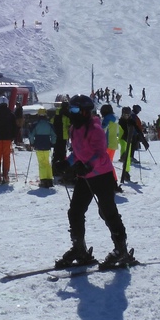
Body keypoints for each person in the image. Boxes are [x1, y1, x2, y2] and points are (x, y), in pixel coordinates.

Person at [55, 95, 133, 270]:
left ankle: (121, 249)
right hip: (85, 176)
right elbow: (77, 153)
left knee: (107, 212)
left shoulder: (95, 128)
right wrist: (66, 163)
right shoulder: (74, 129)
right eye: (71, 110)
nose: (72, 113)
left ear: (84, 111)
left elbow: (99, 153)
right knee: (75, 211)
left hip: (102, 175)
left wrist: (88, 166)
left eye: (75, 110)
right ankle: (79, 249)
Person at [29, 108, 56, 189]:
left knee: (41, 163)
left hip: (39, 145)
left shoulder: (35, 124)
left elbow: (31, 135)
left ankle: (44, 180)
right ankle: (49, 179)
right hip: (47, 145)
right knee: (47, 162)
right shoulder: (49, 124)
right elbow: (54, 135)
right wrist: (52, 143)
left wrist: (32, 143)